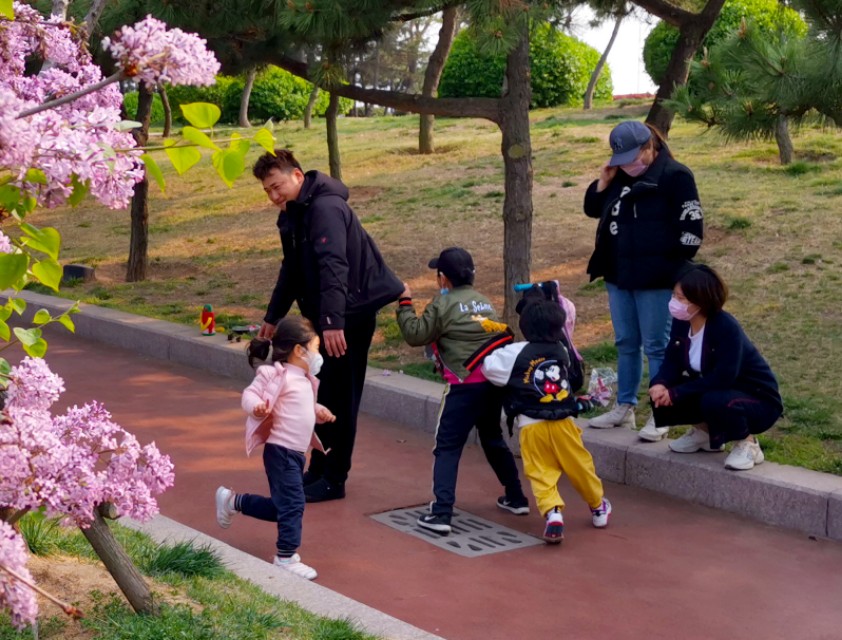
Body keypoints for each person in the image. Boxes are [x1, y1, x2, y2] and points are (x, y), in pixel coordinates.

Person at [253, 150, 404, 502]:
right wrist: (272, 317)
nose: (274, 196)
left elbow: (335, 265)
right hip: (329, 318)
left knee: (341, 398)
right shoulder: (292, 215)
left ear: (298, 176)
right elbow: (291, 270)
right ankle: (319, 469)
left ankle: (335, 478)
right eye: (268, 191)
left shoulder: (325, 209)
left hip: (349, 316)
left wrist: (334, 322)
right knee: (322, 394)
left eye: (277, 186)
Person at [584, 120, 704, 442]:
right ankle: (625, 407)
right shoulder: (619, 175)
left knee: (657, 346)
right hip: (618, 274)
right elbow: (592, 209)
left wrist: (668, 266)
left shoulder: (675, 176)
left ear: (650, 148)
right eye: (621, 161)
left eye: (634, 159)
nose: (629, 167)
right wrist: (603, 181)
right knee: (625, 342)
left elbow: (692, 232)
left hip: (656, 279)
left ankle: (661, 412)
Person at [396, 247, 529, 534]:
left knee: (446, 446)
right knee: (492, 438)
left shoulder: (441, 305)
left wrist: (405, 303)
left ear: (442, 278)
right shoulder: (483, 302)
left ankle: (441, 513)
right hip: (492, 384)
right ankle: (516, 497)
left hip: (463, 385)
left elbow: (415, 334)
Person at [482, 284, 611, 544]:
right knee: (579, 465)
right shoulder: (561, 351)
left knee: (540, 471)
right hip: (563, 421)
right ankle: (597, 505)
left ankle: (553, 513)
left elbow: (489, 369)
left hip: (531, 424)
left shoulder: (515, 352)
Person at [214, 316, 335, 580]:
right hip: (280, 452)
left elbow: (298, 406)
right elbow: (250, 395)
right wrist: (256, 407)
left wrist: (318, 410)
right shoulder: (274, 374)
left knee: (283, 507)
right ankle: (285, 556)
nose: (317, 354)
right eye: (314, 348)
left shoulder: (304, 379)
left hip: (295, 454)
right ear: (298, 350)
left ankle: (233, 501)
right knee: (294, 504)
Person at [649, 264, 783, 470]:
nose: (675, 303)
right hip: (718, 389)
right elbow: (672, 361)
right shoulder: (682, 322)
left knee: (714, 399)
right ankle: (704, 434)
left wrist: (677, 393)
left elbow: (723, 378)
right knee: (662, 389)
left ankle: (748, 443)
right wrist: (660, 383)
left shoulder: (725, 327)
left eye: (681, 298)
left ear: (701, 301)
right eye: (674, 296)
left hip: (756, 398)